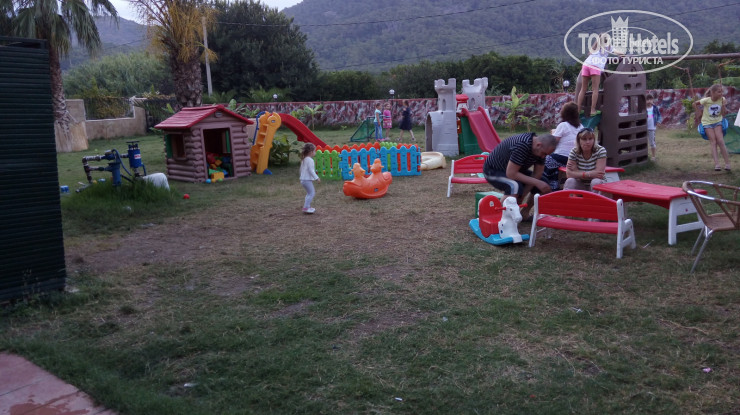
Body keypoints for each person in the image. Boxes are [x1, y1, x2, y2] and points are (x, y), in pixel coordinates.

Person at [482, 132, 558, 218]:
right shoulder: (522, 145)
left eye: (546, 155)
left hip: (513, 170)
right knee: (514, 186)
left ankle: (524, 213)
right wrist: (537, 183)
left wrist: (522, 195)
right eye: (544, 153)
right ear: (538, 145)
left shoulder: (540, 150)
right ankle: (499, 217)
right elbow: (511, 174)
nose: (543, 157)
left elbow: (537, 174)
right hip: (493, 170)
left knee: (543, 182)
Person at [542, 102, 583, 191]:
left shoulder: (563, 125)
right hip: (575, 159)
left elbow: (553, 142)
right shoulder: (581, 126)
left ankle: (551, 185)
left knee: (547, 160)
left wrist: (553, 133)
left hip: (562, 157)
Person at [693, 84, 731, 171]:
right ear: (712, 92)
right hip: (707, 123)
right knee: (713, 142)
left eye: (722, 92)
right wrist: (698, 112)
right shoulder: (706, 100)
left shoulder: (722, 99)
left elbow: (723, 114)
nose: (721, 94)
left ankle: (727, 164)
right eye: (719, 92)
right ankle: (717, 164)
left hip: (718, 122)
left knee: (720, 141)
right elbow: (694, 104)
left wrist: (723, 105)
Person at [576, 33, 612, 116]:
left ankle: (578, 109)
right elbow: (618, 52)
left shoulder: (595, 47)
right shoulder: (607, 47)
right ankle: (592, 110)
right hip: (595, 66)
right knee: (595, 89)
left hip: (586, 65)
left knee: (583, 89)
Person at [299, 143, 320, 214]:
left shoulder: (304, 159)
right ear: (311, 152)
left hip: (303, 180)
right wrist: (317, 178)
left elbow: (302, 170)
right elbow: (311, 171)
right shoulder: (310, 160)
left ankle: (307, 206)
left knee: (309, 193)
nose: (315, 152)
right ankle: (306, 208)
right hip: (306, 180)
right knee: (311, 193)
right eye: (314, 151)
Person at [646, 93, 662, 162]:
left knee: (652, 142)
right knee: (643, 142)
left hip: (651, 128)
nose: (649, 101)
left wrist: (658, 121)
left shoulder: (655, 108)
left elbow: (659, 116)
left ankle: (653, 156)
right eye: (647, 99)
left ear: (653, 100)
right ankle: (644, 156)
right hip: (644, 128)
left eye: (650, 99)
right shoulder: (643, 108)